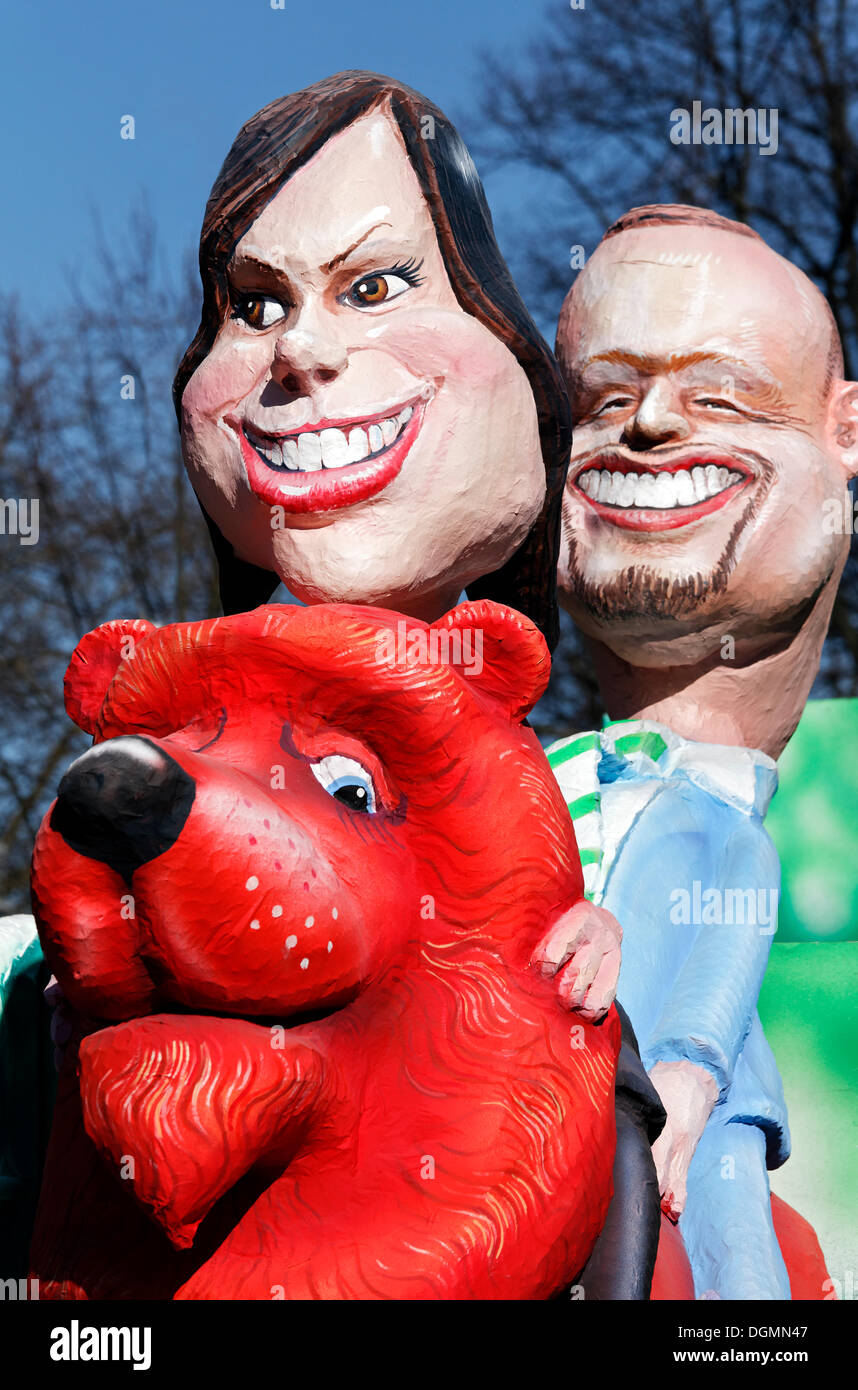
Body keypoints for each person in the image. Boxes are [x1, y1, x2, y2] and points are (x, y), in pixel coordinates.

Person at [172, 72, 664, 1299]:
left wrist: (597, 942)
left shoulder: (587, 776)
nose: (303, 348)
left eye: (378, 285)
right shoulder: (204, 729)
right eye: (254, 302)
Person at [551, 203, 858, 1298]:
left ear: (846, 437)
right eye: (605, 398)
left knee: (733, 1244)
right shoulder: (514, 778)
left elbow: (734, 899)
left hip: (698, 1104)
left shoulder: (719, 810)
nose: (647, 429)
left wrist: (686, 1063)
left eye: (718, 394)